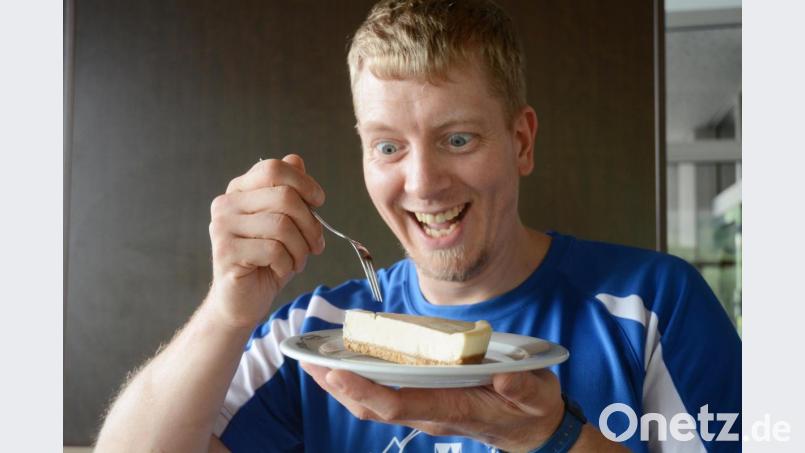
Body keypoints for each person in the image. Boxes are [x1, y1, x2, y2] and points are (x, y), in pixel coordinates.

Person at [95, 0, 741, 452]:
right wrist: (226, 310)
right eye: (387, 147)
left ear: (519, 141)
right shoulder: (312, 335)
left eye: (456, 138)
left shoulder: (654, 304)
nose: (422, 182)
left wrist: (550, 439)